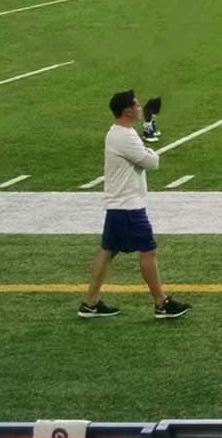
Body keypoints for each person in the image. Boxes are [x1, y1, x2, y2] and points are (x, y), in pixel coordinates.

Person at [78, 89, 191, 320]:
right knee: (148, 251)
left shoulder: (116, 132)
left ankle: (90, 303)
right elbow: (151, 162)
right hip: (129, 206)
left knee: (107, 251)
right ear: (128, 110)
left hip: (118, 204)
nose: (141, 107)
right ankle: (161, 303)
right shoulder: (126, 137)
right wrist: (149, 150)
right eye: (137, 105)